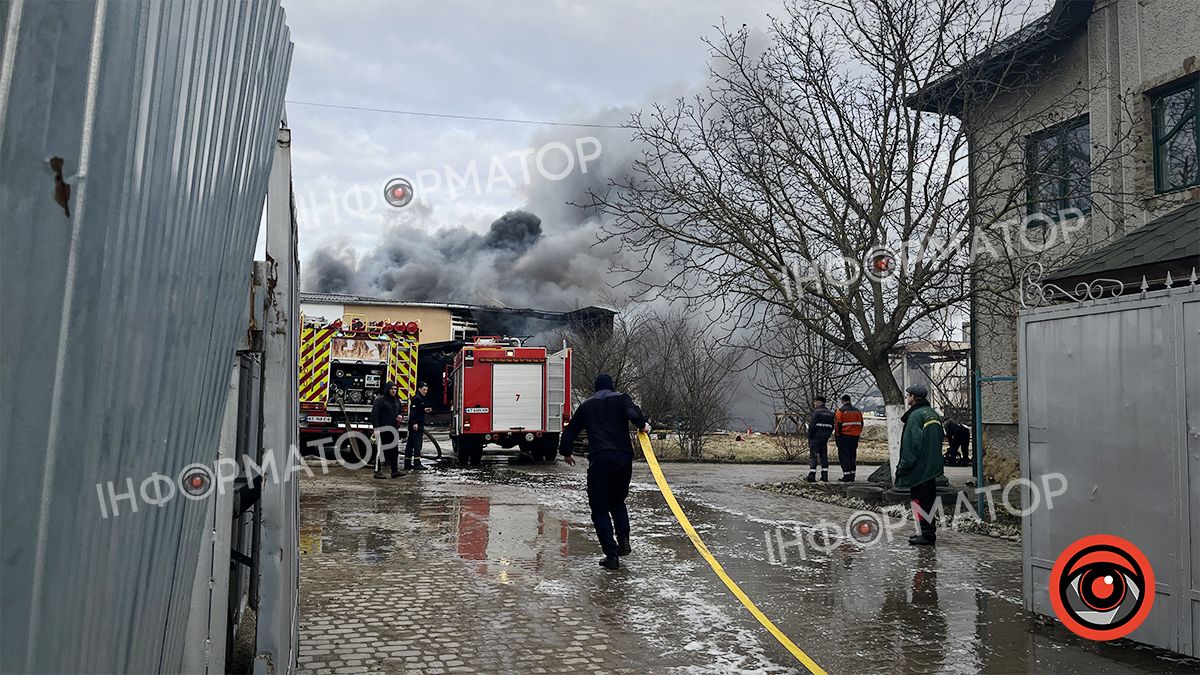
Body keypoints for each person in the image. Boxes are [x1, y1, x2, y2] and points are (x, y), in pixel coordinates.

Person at [559, 373, 649, 571]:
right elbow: (634, 415)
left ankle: (611, 555)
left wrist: (566, 452)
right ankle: (624, 540)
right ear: (612, 386)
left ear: (595, 388)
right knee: (617, 501)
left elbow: (570, 431)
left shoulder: (587, 406)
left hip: (600, 460)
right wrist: (643, 425)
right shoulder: (622, 398)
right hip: (623, 459)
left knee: (599, 508)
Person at [896, 384, 945, 546]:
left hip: (919, 468)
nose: (907, 398)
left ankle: (926, 535)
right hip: (931, 467)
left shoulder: (915, 416)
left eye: (908, 395)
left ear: (913, 397)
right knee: (928, 501)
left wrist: (903, 466)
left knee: (919, 501)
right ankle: (926, 532)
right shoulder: (933, 414)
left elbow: (912, 445)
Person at [372, 382, 405, 479]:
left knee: (394, 451)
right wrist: (376, 428)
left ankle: (394, 471)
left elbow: (400, 411)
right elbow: (375, 415)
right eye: (392, 389)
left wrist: (400, 416)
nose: (393, 391)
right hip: (382, 429)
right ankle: (377, 471)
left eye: (395, 389)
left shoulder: (396, 400)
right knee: (379, 451)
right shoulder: (380, 401)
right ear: (387, 389)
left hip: (393, 429)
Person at [805, 396, 836, 482]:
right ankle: (824, 476)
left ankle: (812, 475)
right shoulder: (830, 413)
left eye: (815, 402)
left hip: (815, 437)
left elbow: (812, 426)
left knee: (813, 456)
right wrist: (827, 436)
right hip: (825, 438)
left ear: (819, 402)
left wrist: (809, 436)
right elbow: (832, 427)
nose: (814, 404)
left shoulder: (817, 412)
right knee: (824, 457)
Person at [834, 394, 864, 482]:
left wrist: (837, 436)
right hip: (855, 437)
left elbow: (837, 425)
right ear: (850, 400)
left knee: (844, 456)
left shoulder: (841, 411)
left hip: (844, 436)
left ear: (842, 401)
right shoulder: (858, 411)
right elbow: (861, 424)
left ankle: (846, 475)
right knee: (852, 456)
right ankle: (852, 475)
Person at [404, 381, 432, 471]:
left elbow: (418, 410)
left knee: (410, 444)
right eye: (424, 390)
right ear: (419, 389)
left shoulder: (419, 398)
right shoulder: (417, 398)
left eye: (427, 390)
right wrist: (414, 423)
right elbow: (413, 412)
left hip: (416, 424)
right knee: (417, 445)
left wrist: (424, 410)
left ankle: (407, 463)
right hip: (416, 425)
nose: (425, 391)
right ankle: (417, 463)